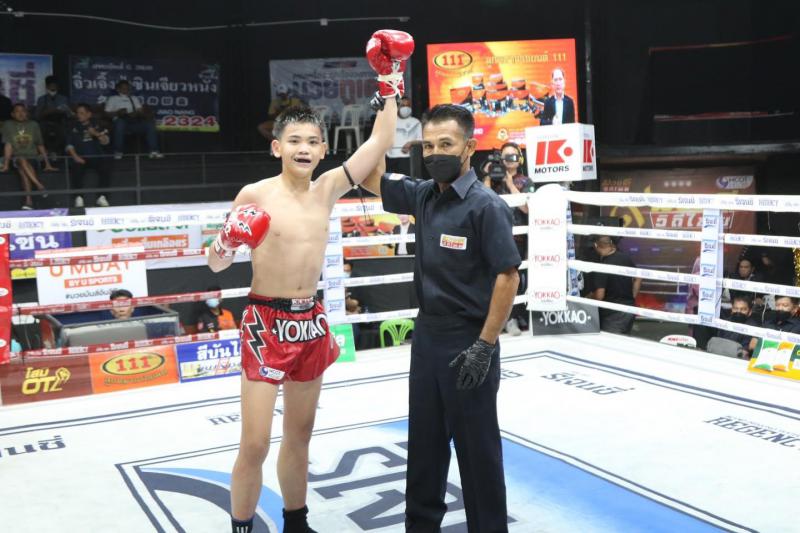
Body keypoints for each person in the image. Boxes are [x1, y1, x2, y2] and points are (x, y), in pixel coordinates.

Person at [207, 30, 413, 533]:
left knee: (299, 436)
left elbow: (380, 141)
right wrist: (227, 242)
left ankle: (295, 522)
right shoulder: (254, 193)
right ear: (277, 147)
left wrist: (390, 82)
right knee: (255, 442)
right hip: (264, 320)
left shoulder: (327, 189)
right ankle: (241, 527)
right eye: (294, 141)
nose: (303, 148)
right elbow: (215, 265)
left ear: (323, 149)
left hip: (309, 321)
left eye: (312, 141)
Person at [362, 103, 520, 532]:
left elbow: (508, 277)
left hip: (471, 338)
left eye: (445, 144)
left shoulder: (486, 207)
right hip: (428, 335)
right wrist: (385, 111)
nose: (435, 153)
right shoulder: (423, 194)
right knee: (424, 447)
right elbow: (369, 174)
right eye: (428, 146)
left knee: (477, 451)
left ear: (469, 147)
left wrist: (485, 345)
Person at [482, 142, 534, 335]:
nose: (509, 160)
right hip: (492, 235)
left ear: (520, 159)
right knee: (490, 279)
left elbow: (527, 208)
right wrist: (488, 177)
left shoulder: (525, 181)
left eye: (513, 156)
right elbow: (483, 201)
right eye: (506, 157)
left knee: (513, 280)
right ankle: (492, 321)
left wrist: (510, 183)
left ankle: (512, 319)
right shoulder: (492, 179)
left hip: (516, 238)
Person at [1, 103, 56, 210]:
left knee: (23, 171)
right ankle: (39, 186)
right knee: (21, 160)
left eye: (23, 111)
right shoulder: (8, 125)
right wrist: (6, 165)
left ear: (27, 113)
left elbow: (40, 144)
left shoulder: (33, 125)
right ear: (12, 114)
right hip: (16, 158)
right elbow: (8, 145)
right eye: (17, 111)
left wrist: (47, 164)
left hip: (32, 158)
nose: (20, 113)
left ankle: (28, 201)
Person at [589, 235, 641, 334]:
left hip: (612, 314)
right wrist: (632, 296)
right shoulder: (625, 258)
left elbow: (599, 295)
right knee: (622, 341)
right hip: (629, 309)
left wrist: (589, 298)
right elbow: (638, 277)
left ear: (596, 245)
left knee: (610, 342)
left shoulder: (602, 266)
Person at [66, 103, 112, 208]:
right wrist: (76, 157)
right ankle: (79, 197)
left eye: (82, 113)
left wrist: (95, 134)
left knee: (106, 167)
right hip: (80, 157)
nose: (79, 115)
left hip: (96, 157)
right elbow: (69, 145)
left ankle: (101, 197)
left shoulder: (98, 124)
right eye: (77, 113)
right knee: (76, 168)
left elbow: (106, 142)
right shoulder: (72, 126)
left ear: (89, 114)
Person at [104, 80, 163, 159]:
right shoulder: (112, 99)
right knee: (120, 123)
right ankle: (118, 151)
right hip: (120, 122)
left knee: (150, 124)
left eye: (127, 88)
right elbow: (106, 114)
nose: (126, 90)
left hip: (133, 122)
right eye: (123, 88)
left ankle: (154, 151)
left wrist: (137, 113)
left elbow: (140, 111)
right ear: (118, 89)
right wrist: (117, 113)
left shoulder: (134, 98)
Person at [257, 84, 304, 149]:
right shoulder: (275, 102)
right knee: (261, 127)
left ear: (288, 93)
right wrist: (277, 111)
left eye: (284, 94)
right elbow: (271, 116)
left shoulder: (295, 101)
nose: (282, 96)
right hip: (279, 122)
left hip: (293, 123)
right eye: (280, 94)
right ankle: (276, 141)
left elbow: (301, 114)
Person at [35, 75, 73, 153]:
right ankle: (46, 153)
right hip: (45, 123)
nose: (52, 87)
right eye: (50, 85)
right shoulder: (42, 99)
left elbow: (69, 115)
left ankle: (60, 153)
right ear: (47, 86)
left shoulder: (64, 99)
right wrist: (46, 112)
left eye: (54, 85)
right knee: (41, 130)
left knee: (65, 131)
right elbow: (37, 116)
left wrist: (63, 111)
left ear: (57, 86)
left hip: (60, 122)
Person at [385, 96, 422, 175]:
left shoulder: (416, 122)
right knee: (391, 180)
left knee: (405, 180)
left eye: (407, 105)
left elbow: (421, 140)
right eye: (403, 105)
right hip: (390, 157)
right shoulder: (390, 121)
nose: (405, 108)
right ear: (398, 107)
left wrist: (410, 143)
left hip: (407, 158)